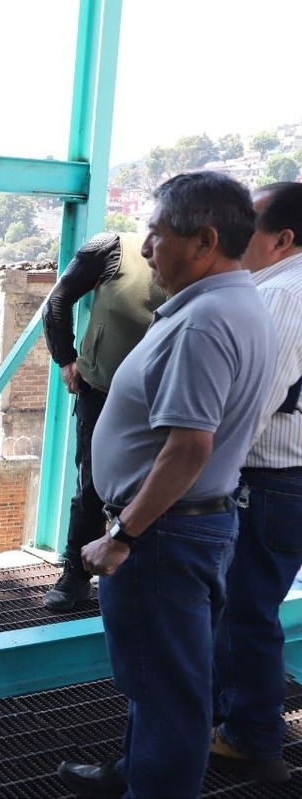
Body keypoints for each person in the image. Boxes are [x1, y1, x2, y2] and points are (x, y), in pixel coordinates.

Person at [56, 170, 277, 798]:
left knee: (168, 693)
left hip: (162, 533)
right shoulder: (231, 303)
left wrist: (122, 534)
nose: (147, 249)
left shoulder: (204, 322)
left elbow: (187, 448)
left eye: (157, 235)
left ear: (203, 241)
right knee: (162, 675)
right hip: (187, 525)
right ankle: (131, 772)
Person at [210, 182, 302, 785]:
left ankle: (251, 738)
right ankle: (244, 726)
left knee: (243, 615)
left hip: (267, 483)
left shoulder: (280, 297)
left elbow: (248, 407)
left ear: (282, 239)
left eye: (251, 223)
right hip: (283, 485)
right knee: (251, 612)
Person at [41, 233, 166, 613]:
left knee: (159, 482)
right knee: (94, 485)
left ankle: (141, 572)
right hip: (102, 392)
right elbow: (57, 302)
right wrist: (66, 358)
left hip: (163, 400)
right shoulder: (112, 247)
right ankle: (76, 575)